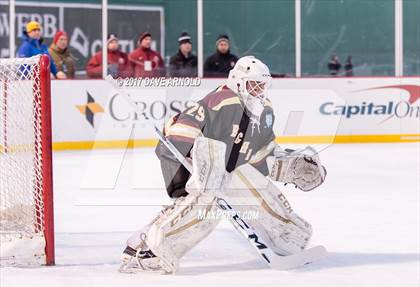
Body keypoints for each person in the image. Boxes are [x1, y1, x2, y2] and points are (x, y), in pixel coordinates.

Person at [120, 56, 327, 274]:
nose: (259, 89)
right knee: (208, 201)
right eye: (253, 84)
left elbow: (260, 152)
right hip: (180, 156)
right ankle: (155, 248)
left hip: (223, 164)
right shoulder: (222, 100)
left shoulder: (264, 110)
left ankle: (288, 236)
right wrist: (195, 157)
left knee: (249, 185)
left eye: (263, 85)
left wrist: (287, 165)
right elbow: (184, 126)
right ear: (238, 81)